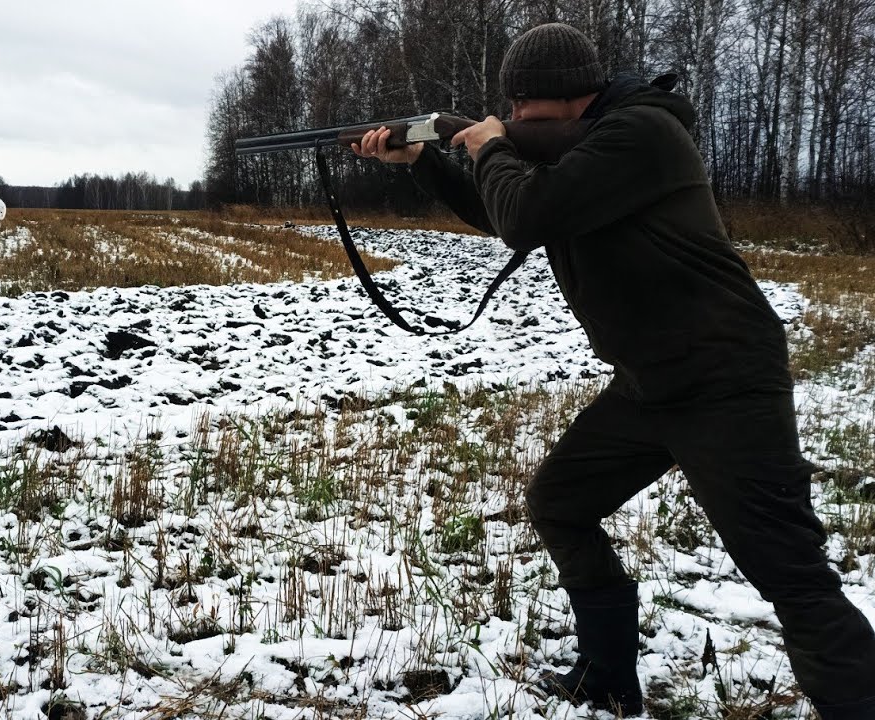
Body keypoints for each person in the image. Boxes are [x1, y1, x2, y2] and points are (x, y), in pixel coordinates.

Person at [351, 22, 875, 719]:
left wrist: (491, 146)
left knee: (791, 575)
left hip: (724, 380)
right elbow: (503, 205)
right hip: (649, 383)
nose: (511, 118)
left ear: (569, 96)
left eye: (521, 107)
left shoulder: (643, 136)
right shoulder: (586, 149)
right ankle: (605, 677)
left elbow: (527, 214)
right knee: (560, 504)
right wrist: (425, 159)